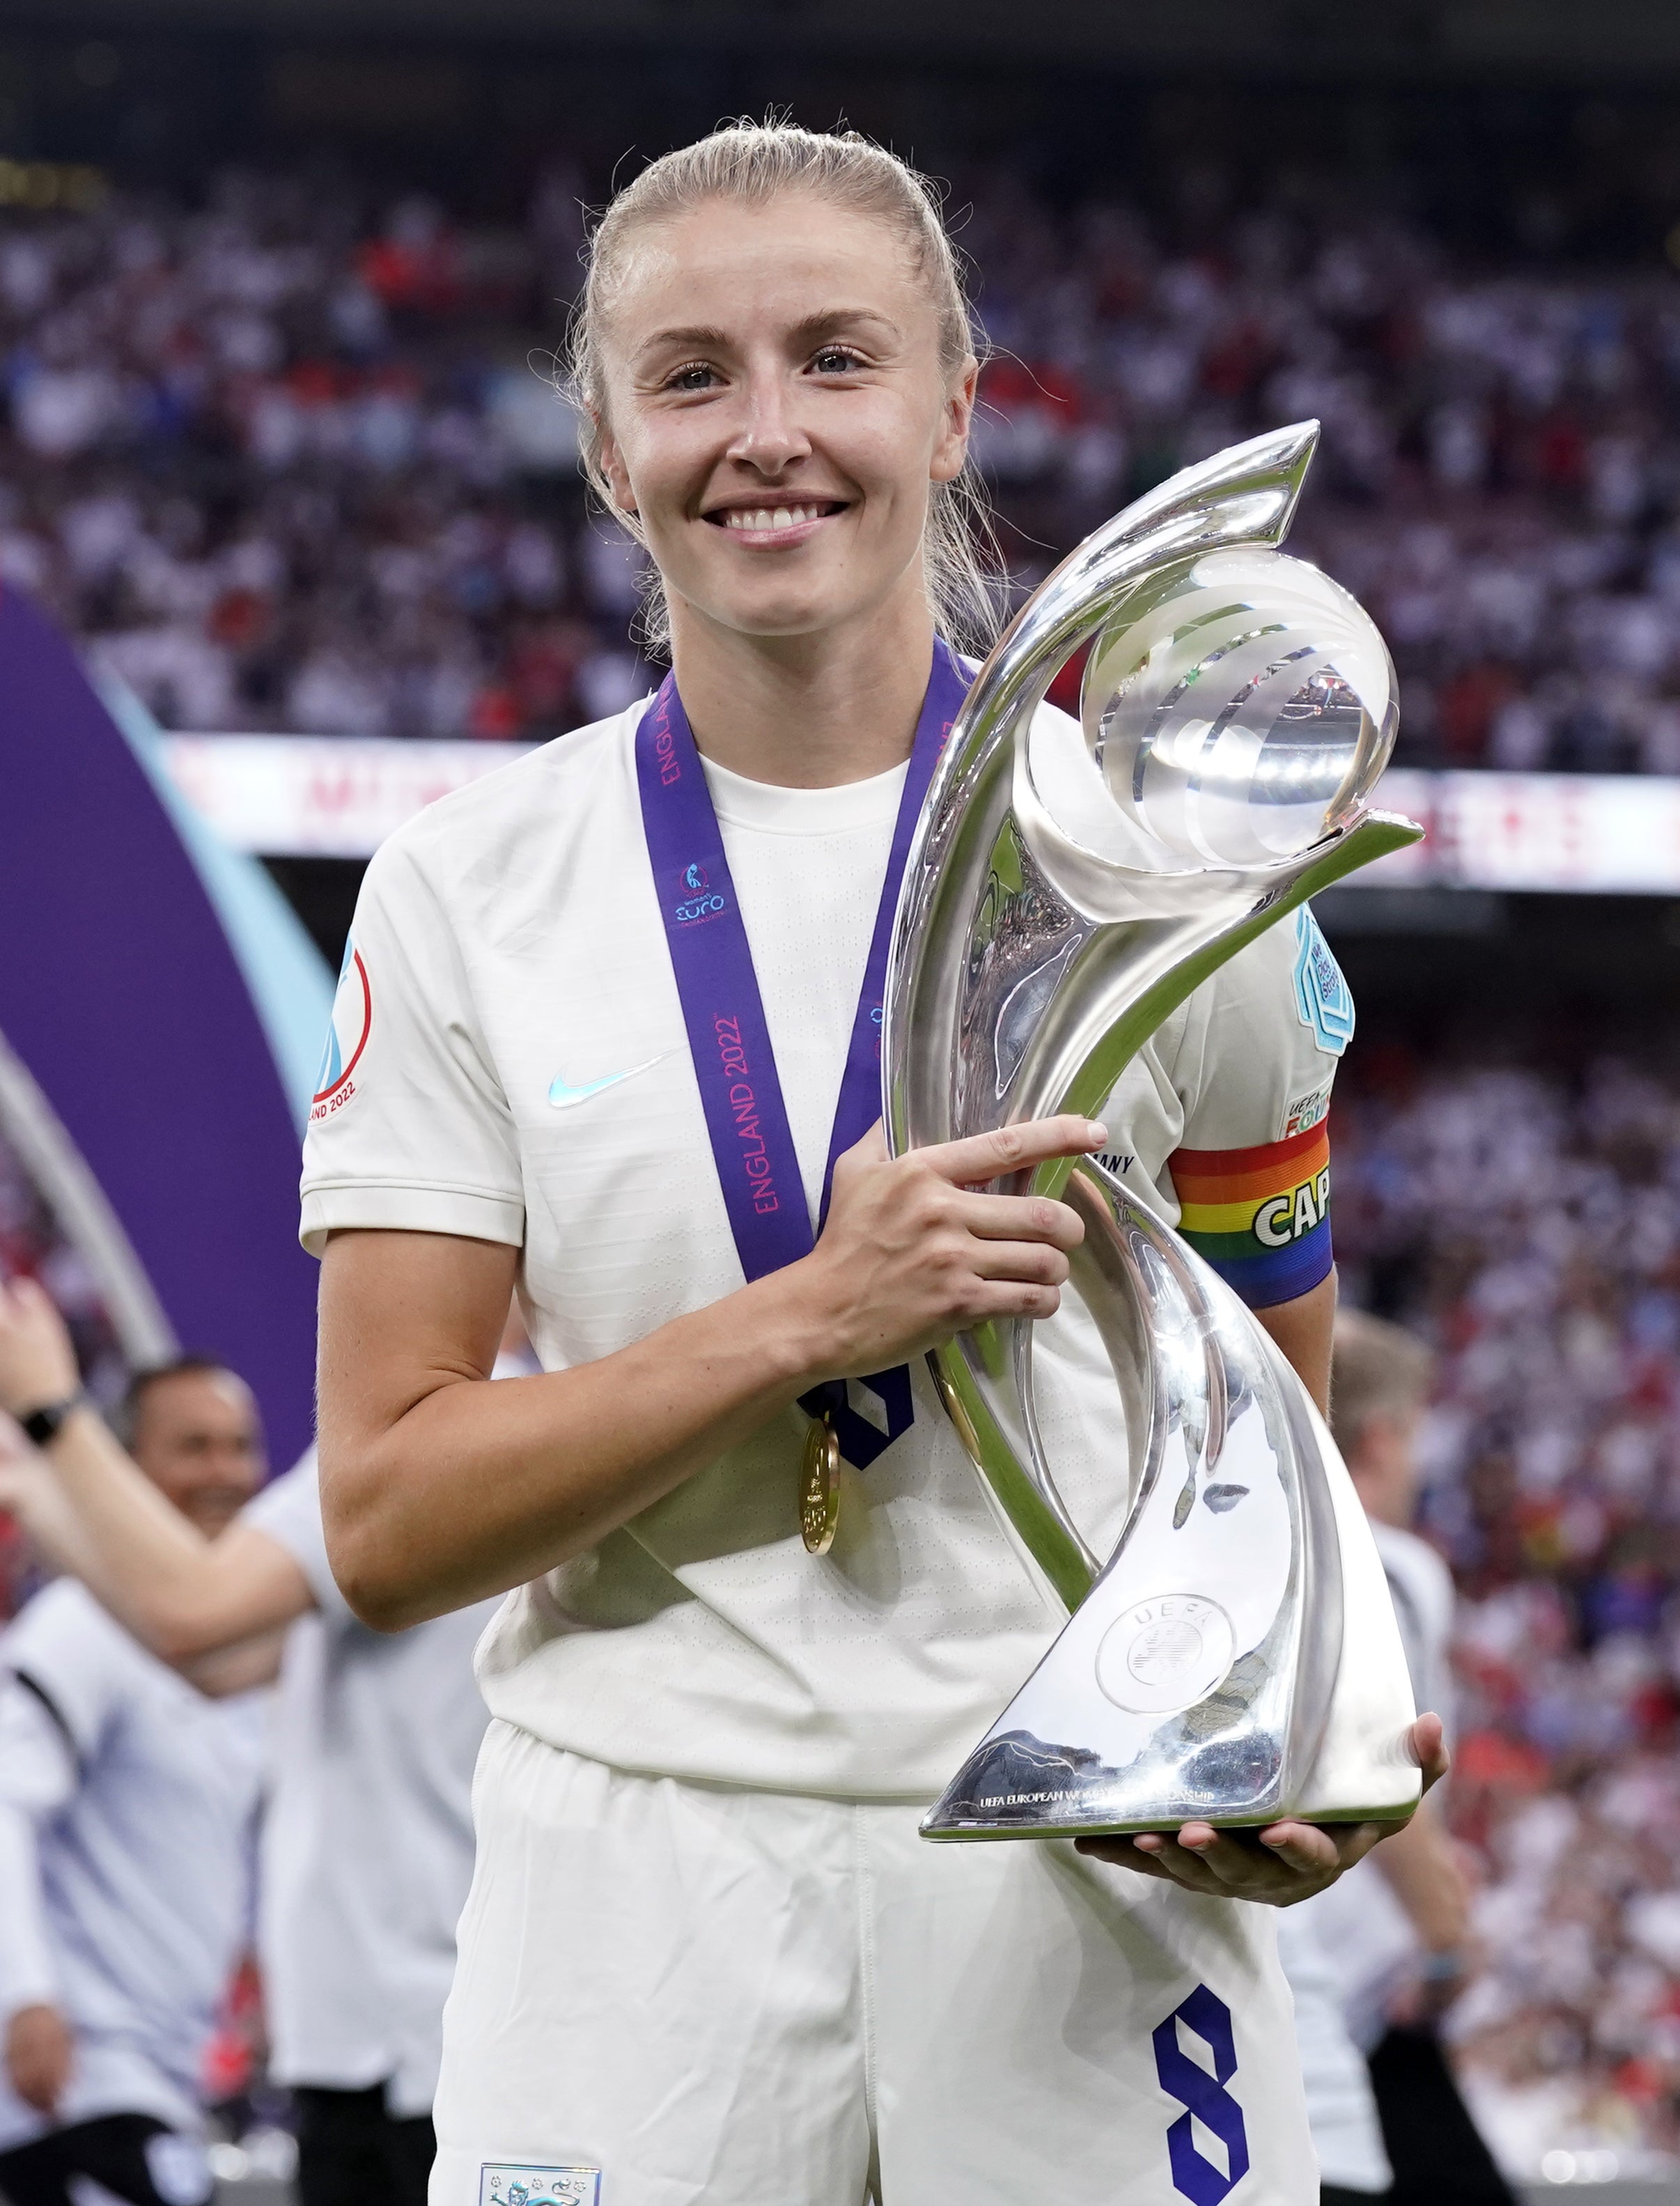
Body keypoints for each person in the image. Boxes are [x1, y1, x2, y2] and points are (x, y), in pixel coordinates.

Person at [302, 121, 1446, 2206]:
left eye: (836, 359)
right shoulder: (468, 889)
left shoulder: (1191, 878)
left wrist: (1308, 1741)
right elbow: (382, 1515)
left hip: (1082, 1877)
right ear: (603, 438)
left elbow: (1272, 1443)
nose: (768, 435)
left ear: (952, 406)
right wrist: (805, 1317)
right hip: (638, 1873)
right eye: (691, 376)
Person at [0, 1283, 506, 2206]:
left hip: (420, 2043)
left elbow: (194, 1619)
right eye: (192, 1445)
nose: (227, 1471)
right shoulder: (500, 1424)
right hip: (364, 2046)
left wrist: (47, 1408)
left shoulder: (440, 1432)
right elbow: (215, 1652)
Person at [0, 1358, 266, 2206]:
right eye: (193, 1446)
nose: (223, 1470)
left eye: (239, 1446)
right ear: (120, 1467)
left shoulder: (250, 1645)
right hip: (76, 2077)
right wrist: (25, 1998)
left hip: (170, 2076)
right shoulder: (82, 1624)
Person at [1305, 1308, 1516, 2206]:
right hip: (1341, 2002)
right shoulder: (1387, 1563)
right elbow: (1381, 1762)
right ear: (1384, 1439)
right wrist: (1444, 1943)